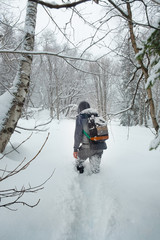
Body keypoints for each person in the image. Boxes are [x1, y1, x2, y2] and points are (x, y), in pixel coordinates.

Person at [73, 101, 107, 174]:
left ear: (79, 109)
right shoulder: (96, 116)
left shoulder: (80, 117)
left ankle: (80, 175)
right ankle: (98, 182)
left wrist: (75, 149)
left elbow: (78, 135)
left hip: (87, 148)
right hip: (100, 147)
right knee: (95, 171)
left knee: (78, 163)